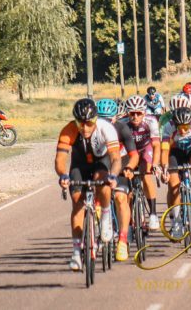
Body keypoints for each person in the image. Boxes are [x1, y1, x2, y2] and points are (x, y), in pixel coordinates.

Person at [55, 98, 122, 271]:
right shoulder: (69, 130)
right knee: (77, 202)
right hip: (79, 165)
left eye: (89, 123)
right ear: (75, 121)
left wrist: (113, 175)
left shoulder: (106, 128)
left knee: (104, 180)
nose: (85, 128)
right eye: (81, 123)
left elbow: (115, 159)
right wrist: (63, 174)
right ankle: (77, 252)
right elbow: (60, 159)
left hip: (101, 162)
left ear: (96, 119)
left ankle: (106, 216)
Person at [97, 98, 138, 262]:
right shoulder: (94, 129)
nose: (106, 122)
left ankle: (122, 240)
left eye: (109, 119)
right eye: (101, 118)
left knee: (121, 198)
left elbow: (134, 155)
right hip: (102, 162)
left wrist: (130, 168)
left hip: (121, 162)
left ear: (115, 117)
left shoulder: (122, 128)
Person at [160, 106, 191, 237]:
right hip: (175, 151)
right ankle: (176, 222)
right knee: (173, 183)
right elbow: (165, 150)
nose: (182, 130)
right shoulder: (168, 126)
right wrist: (164, 168)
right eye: (180, 127)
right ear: (175, 124)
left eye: (186, 127)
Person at [123, 94, 161, 225]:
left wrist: (155, 164)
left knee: (146, 174)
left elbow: (156, 145)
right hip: (129, 151)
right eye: (132, 114)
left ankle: (153, 214)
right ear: (127, 113)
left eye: (138, 113)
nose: (135, 117)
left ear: (144, 112)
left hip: (146, 148)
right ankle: (128, 220)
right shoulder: (122, 123)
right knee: (126, 182)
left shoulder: (151, 121)